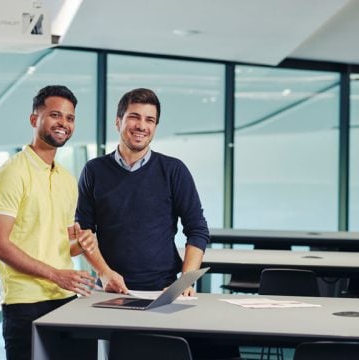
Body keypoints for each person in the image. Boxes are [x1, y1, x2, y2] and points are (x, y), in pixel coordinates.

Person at [77, 88, 240, 359]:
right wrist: (104, 273)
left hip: (163, 292)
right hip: (110, 294)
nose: (141, 126)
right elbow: (84, 230)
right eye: (134, 117)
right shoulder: (94, 171)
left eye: (150, 120)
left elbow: (197, 228)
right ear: (118, 122)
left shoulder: (173, 170)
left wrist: (186, 279)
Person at [0, 85, 97, 360]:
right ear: (34, 119)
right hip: (25, 303)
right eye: (55, 115)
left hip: (65, 298)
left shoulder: (67, 178)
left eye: (70, 118)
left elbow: (65, 245)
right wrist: (55, 274)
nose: (63, 123)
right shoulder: (12, 173)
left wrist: (83, 242)